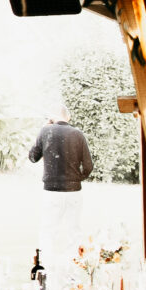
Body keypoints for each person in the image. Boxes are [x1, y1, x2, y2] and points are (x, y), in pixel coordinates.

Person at [26, 110, 95, 267]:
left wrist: (44, 130)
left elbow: (33, 157)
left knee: (48, 230)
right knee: (73, 231)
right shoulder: (78, 134)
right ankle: (71, 268)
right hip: (74, 191)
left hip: (51, 191)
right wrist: (77, 178)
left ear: (53, 117)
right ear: (68, 117)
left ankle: (46, 267)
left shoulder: (46, 131)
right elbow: (88, 166)